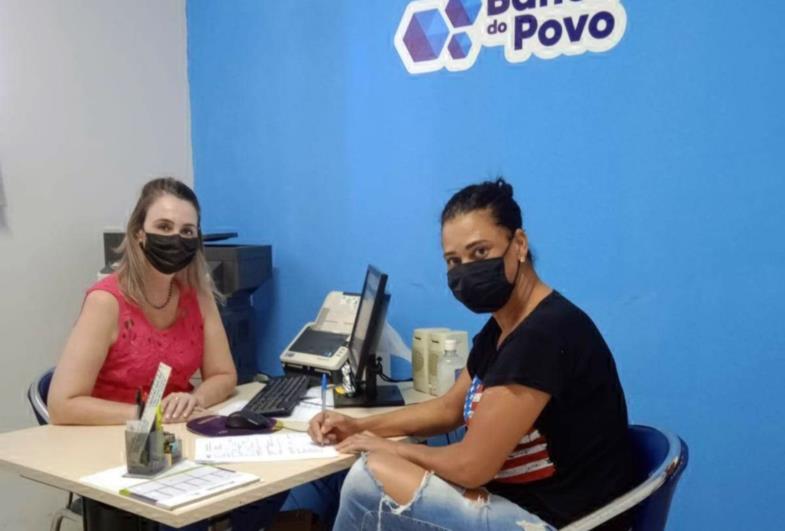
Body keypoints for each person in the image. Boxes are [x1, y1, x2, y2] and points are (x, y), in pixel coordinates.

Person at [308, 178, 637, 530]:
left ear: (519, 244)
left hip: (565, 522)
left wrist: (390, 448)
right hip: (520, 505)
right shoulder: (503, 328)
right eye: (453, 260)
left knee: (369, 478)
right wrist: (358, 427)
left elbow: (472, 467)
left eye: (479, 252)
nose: (465, 270)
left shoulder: (544, 334)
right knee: (378, 473)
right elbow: (447, 409)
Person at [48, 177, 286, 530]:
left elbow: (224, 375)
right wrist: (150, 414)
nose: (176, 239)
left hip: (175, 442)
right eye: (163, 227)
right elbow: (62, 405)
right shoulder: (106, 302)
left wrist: (194, 399)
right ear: (138, 234)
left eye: (187, 231)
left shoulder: (197, 296)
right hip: (117, 447)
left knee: (268, 485)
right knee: (189, 513)